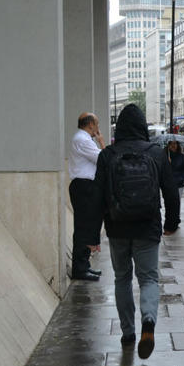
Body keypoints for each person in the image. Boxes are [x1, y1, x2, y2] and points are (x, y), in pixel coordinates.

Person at [89, 104, 180, 359]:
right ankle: (148, 322)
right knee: (149, 278)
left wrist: (92, 235)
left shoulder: (107, 155)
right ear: (142, 126)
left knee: (122, 278)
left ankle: (128, 332)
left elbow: (96, 198)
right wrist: (171, 223)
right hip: (148, 226)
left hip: (117, 226)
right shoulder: (156, 153)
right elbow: (172, 193)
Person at [68, 112, 105, 281]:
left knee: (86, 226)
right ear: (90, 124)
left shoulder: (83, 139)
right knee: (83, 228)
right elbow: (103, 159)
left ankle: (84, 265)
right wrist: (102, 142)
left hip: (85, 186)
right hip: (84, 187)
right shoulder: (82, 139)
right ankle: (80, 269)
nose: (97, 128)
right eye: (96, 124)